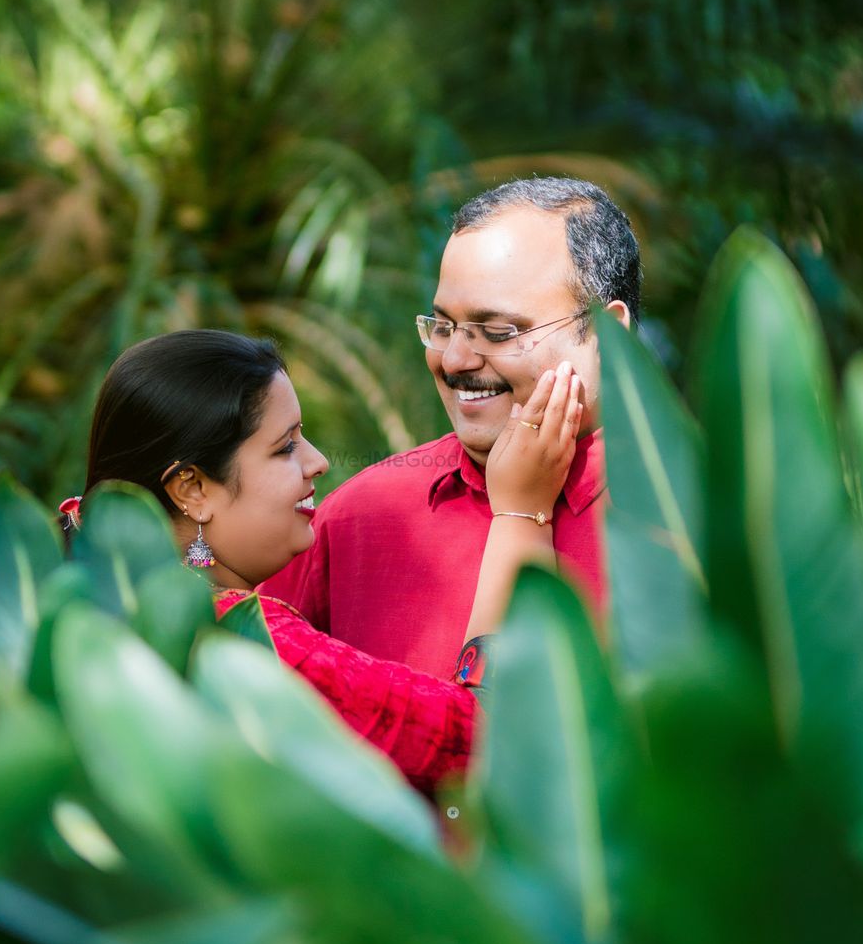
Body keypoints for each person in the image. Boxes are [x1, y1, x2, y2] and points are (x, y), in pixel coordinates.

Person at [62, 328, 583, 795]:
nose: (318, 462)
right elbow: (486, 744)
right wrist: (520, 512)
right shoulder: (243, 643)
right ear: (193, 489)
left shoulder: (84, 607)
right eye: (285, 448)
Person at [263, 176, 641, 678]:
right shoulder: (357, 518)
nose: (456, 359)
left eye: (498, 332)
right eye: (443, 327)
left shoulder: (688, 518)